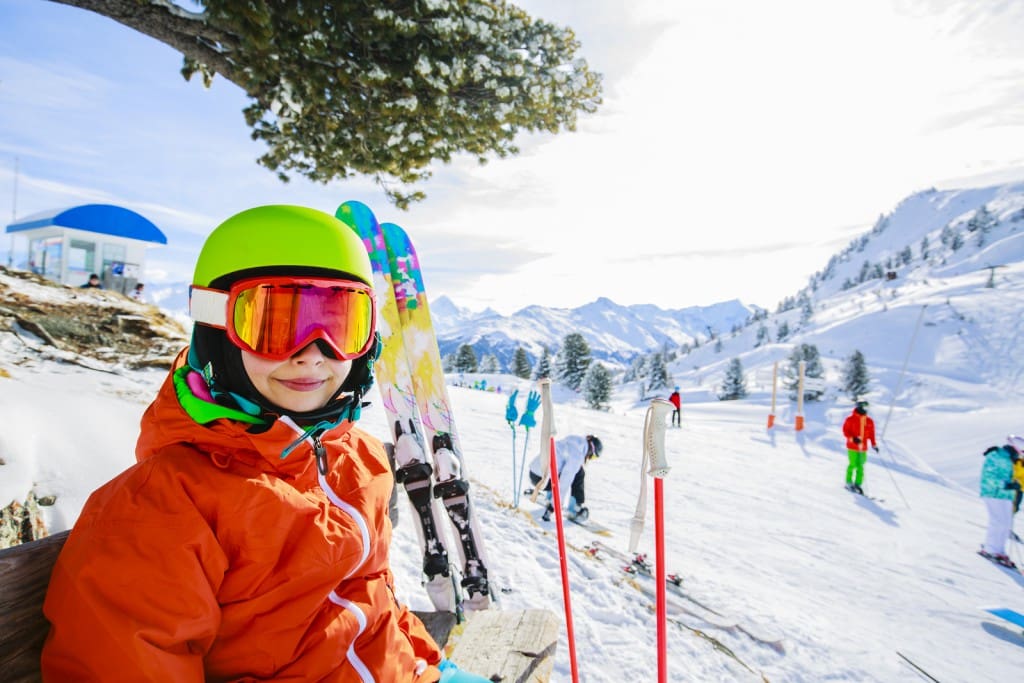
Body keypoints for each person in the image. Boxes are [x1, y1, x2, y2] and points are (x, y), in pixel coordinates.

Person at [42, 206, 488, 682]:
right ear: (216, 332)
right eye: (276, 325)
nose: (313, 355)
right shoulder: (159, 508)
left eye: (340, 324)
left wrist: (429, 665)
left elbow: (373, 597)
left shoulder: (357, 459)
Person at [528, 434, 603, 522]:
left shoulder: (571, 440)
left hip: (533, 474)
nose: (589, 458)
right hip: (543, 480)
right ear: (591, 450)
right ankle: (575, 509)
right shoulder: (577, 456)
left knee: (560, 466)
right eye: (592, 456)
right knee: (579, 473)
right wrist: (554, 505)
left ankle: (549, 497)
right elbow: (565, 481)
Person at [978, 437, 1022, 568]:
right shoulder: (996, 456)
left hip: (1006, 495)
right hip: (993, 493)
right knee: (998, 521)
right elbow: (989, 475)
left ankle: (999, 551)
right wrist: (1006, 484)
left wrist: (1016, 485)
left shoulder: (1012, 459)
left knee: (1005, 523)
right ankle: (990, 549)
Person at [842, 400, 877, 494]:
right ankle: (848, 482)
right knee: (852, 464)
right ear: (859, 407)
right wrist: (853, 439)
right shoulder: (850, 419)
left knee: (860, 466)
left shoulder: (869, 421)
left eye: (867, 407)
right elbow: (845, 432)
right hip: (852, 447)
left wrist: (874, 444)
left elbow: (872, 434)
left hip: (863, 448)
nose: (866, 409)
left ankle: (858, 484)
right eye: (864, 407)